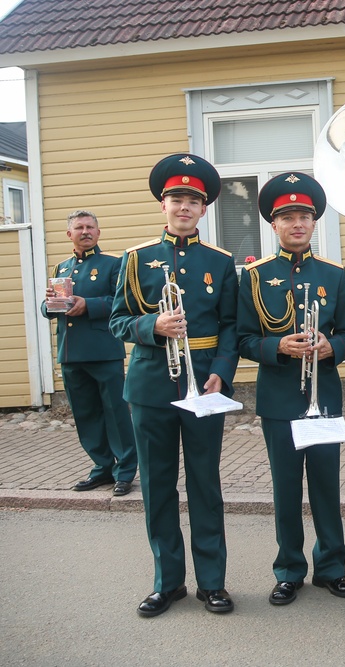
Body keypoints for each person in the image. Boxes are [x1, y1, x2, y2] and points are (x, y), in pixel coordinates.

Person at [110, 153, 238, 617]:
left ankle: (212, 583)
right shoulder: (135, 259)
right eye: (176, 199)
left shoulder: (220, 262)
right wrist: (152, 326)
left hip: (204, 384)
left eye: (193, 201)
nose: (184, 208)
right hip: (150, 386)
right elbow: (118, 321)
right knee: (158, 486)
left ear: (204, 210)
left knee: (205, 484)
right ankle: (168, 582)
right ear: (163, 205)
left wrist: (222, 371)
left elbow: (230, 324)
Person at [237, 172, 345, 606]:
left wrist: (333, 346)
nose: (297, 224)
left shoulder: (333, 274)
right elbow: (243, 339)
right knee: (286, 488)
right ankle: (289, 569)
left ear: (314, 222)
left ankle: (332, 567)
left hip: (322, 398)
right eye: (287, 217)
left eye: (304, 216)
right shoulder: (253, 277)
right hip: (279, 399)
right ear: (274, 225)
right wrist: (277, 346)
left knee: (327, 486)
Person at [42, 210, 137, 496]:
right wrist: (49, 304)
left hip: (103, 351)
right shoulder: (62, 268)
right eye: (79, 228)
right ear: (69, 234)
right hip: (71, 353)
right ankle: (102, 467)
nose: (85, 232)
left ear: (98, 232)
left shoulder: (112, 264)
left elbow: (124, 302)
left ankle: (126, 470)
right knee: (86, 415)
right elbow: (50, 309)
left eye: (90, 227)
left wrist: (89, 305)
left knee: (116, 413)